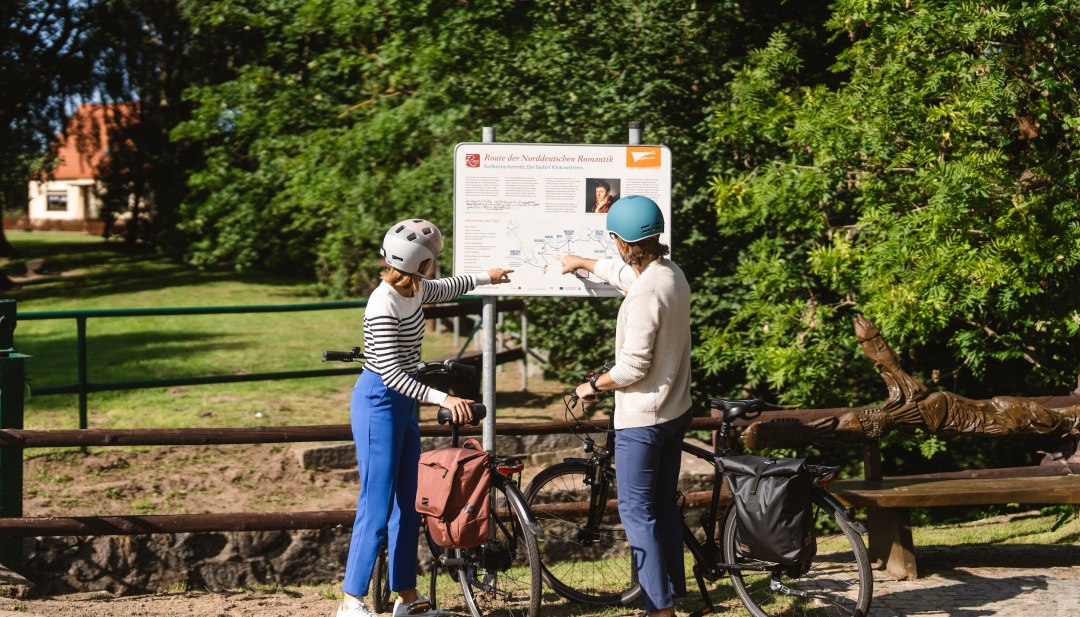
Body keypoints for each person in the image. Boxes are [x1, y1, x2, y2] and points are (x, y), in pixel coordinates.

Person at [336, 218, 513, 617]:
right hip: (378, 402)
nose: (433, 268)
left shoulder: (414, 288)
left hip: (403, 403)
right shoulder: (383, 303)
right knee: (376, 503)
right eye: (432, 261)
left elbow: (448, 287)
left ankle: (407, 597)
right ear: (422, 264)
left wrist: (489, 276)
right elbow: (392, 374)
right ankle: (351, 601)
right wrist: (444, 397)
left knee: (407, 505)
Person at [556, 196, 692, 617]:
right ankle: (674, 593)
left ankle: (659, 609)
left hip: (643, 420)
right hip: (675, 410)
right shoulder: (670, 274)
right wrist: (582, 261)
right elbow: (628, 276)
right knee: (663, 505)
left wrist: (592, 385)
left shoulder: (644, 294)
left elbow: (632, 368)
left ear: (620, 240)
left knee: (636, 512)